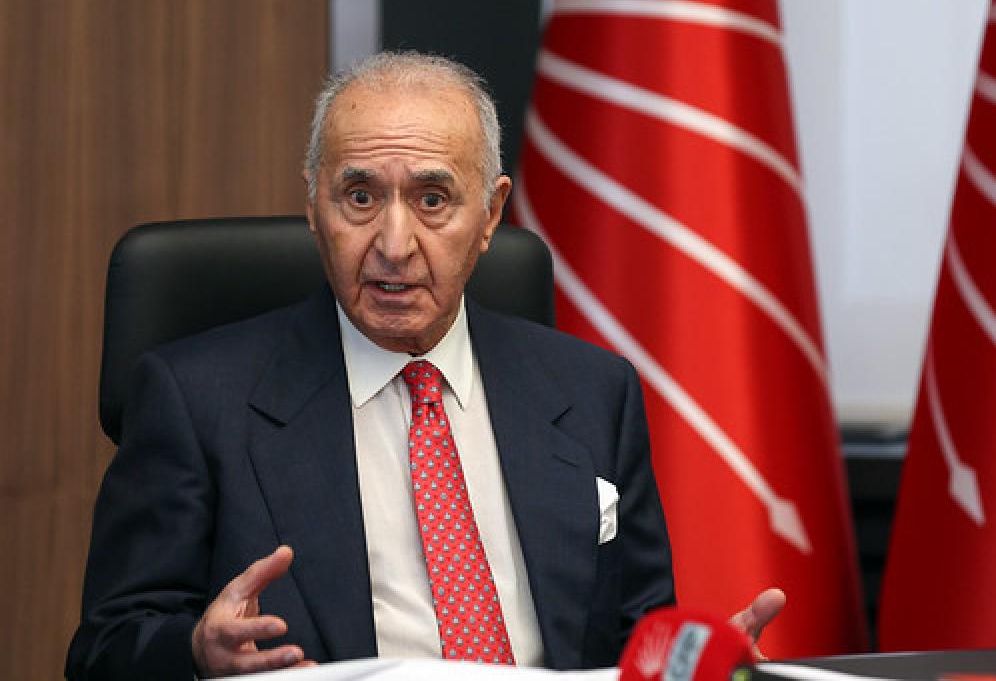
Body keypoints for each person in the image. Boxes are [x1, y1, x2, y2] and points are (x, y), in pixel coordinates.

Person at [67, 52, 783, 679]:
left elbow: (634, 634)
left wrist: (691, 665)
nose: (393, 243)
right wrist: (195, 650)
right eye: (360, 197)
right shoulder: (196, 400)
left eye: (433, 200)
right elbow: (104, 649)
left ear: (491, 215)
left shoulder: (593, 391)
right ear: (314, 206)